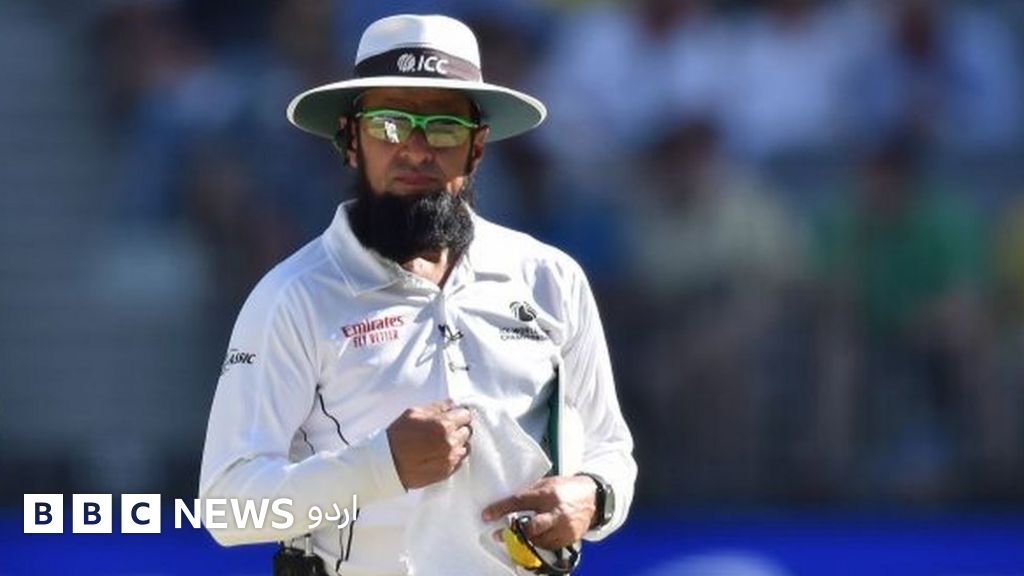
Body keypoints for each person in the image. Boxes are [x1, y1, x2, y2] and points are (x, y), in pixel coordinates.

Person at [198, 14, 636, 575]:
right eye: (388, 125)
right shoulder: (293, 296)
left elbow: (609, 448)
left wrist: (595, 496)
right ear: (350, 142)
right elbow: (227, 507)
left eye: (444, 128)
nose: (415, 149)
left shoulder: (550, 278)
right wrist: (382, 465)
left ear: (477, 147)